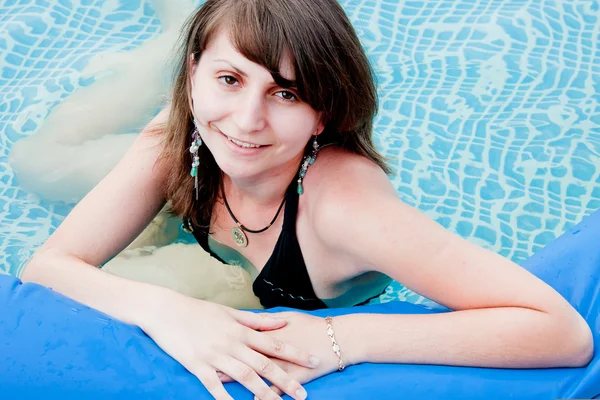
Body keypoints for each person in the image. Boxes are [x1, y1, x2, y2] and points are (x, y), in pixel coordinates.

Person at [21, 0, 593, 399]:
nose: (247, 121)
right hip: (190, 186)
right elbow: (45, 267)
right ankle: (164, 40)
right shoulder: (185, 133)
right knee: (36, 164)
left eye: (285, 92)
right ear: (194, 75)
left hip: (255, 271)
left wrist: (343, 339)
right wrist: (165, 311)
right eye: (229, 78)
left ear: (322, 111)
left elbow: (561, 332)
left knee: (167, 284)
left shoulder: (347, 211)